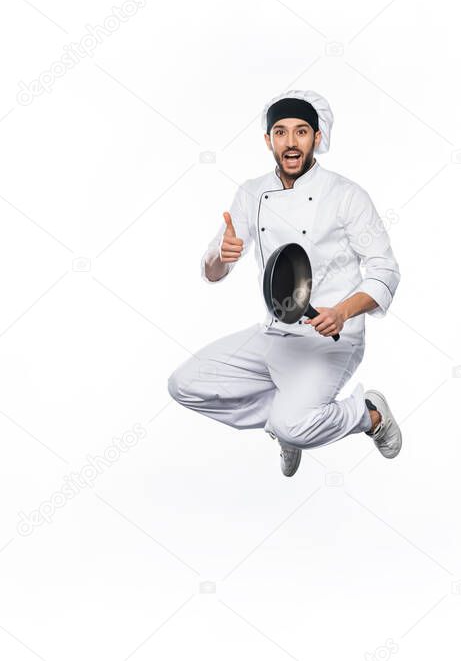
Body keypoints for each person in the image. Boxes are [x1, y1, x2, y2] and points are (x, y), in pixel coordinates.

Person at [167, 90, 402, 477]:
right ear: (268, 140)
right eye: (280, 132)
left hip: (330, 338)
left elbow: (385, 271)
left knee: (292, 422)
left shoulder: (346, 195)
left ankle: (368, 414)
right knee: (184, 384)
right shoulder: (251, 192)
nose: (290, 143)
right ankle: (286, 426)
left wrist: (342, 312)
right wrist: (220, 256)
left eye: (301, 132)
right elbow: (212, 271)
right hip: (275, 332)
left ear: (317, 137)